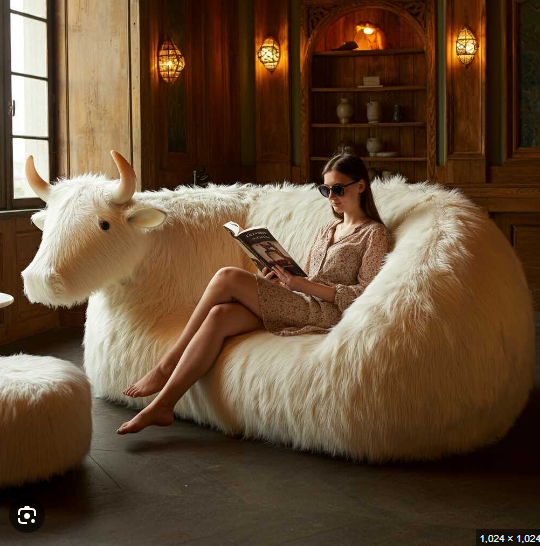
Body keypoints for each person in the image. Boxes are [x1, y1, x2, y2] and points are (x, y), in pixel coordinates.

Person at [117, 153, 390, 434]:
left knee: (227, 276)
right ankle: (163, 405)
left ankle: (166, 366)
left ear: (360, 186)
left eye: (337, 188)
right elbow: (308, 275)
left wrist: (303, 286)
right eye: (325, 189)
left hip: (323, 311)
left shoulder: (373, 234)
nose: (331, 196)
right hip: (299, 298)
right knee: (219, 315)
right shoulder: (328, 229)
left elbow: (364, 293)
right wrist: (277, 275)